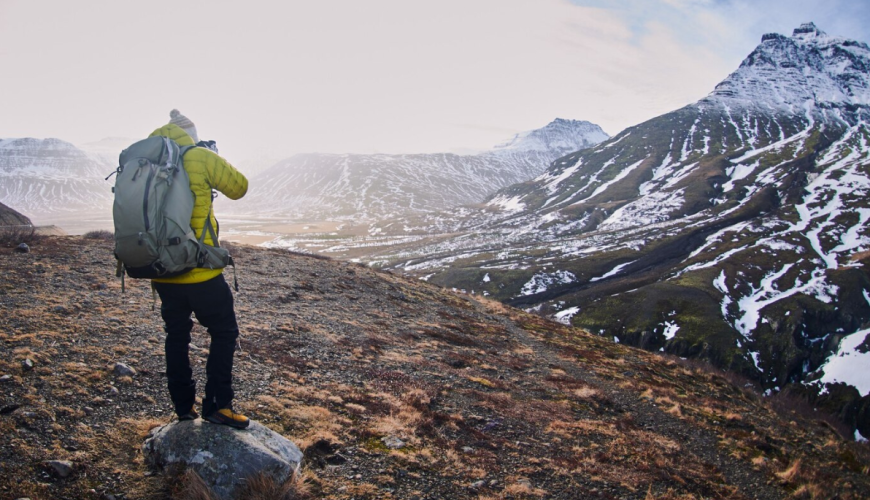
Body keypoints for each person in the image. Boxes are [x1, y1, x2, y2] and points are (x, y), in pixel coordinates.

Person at [149, 109, 251, 429]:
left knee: (176, 336)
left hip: (163, 272)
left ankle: (182, 408)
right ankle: (218, 405)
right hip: (200, 270)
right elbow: (239, 187)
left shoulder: (147, 161)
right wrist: (209, 156)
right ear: (190, 135)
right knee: (223, 332)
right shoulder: (199, 156)